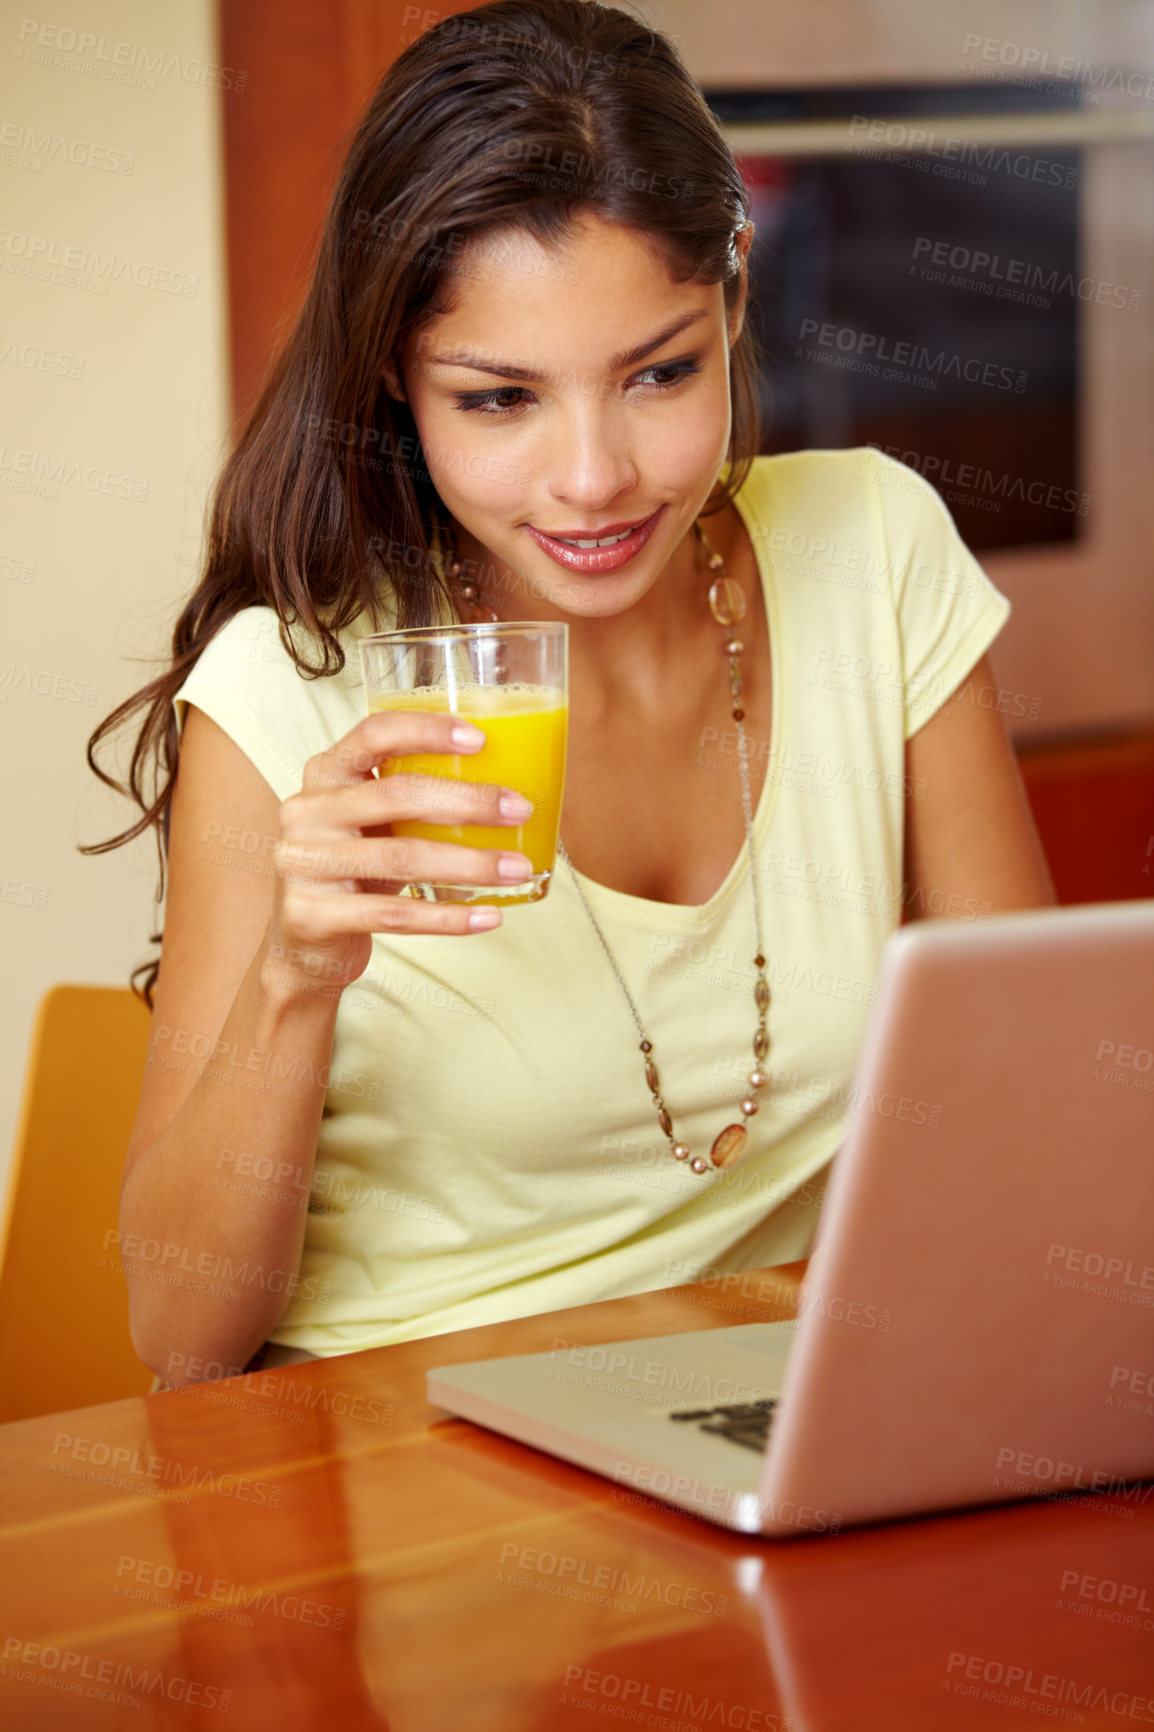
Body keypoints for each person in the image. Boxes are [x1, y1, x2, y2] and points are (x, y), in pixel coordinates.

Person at [88, 0, 1055, 1388]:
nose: (594, 476)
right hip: (404, 1447)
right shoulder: (291, 683)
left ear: (729, 306)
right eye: (498, 399)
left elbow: (1022, 1097)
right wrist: (296, 980)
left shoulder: (872, 552)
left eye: (657, 374)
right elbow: (181, 1342)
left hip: (781, 1401)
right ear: (394, 382)